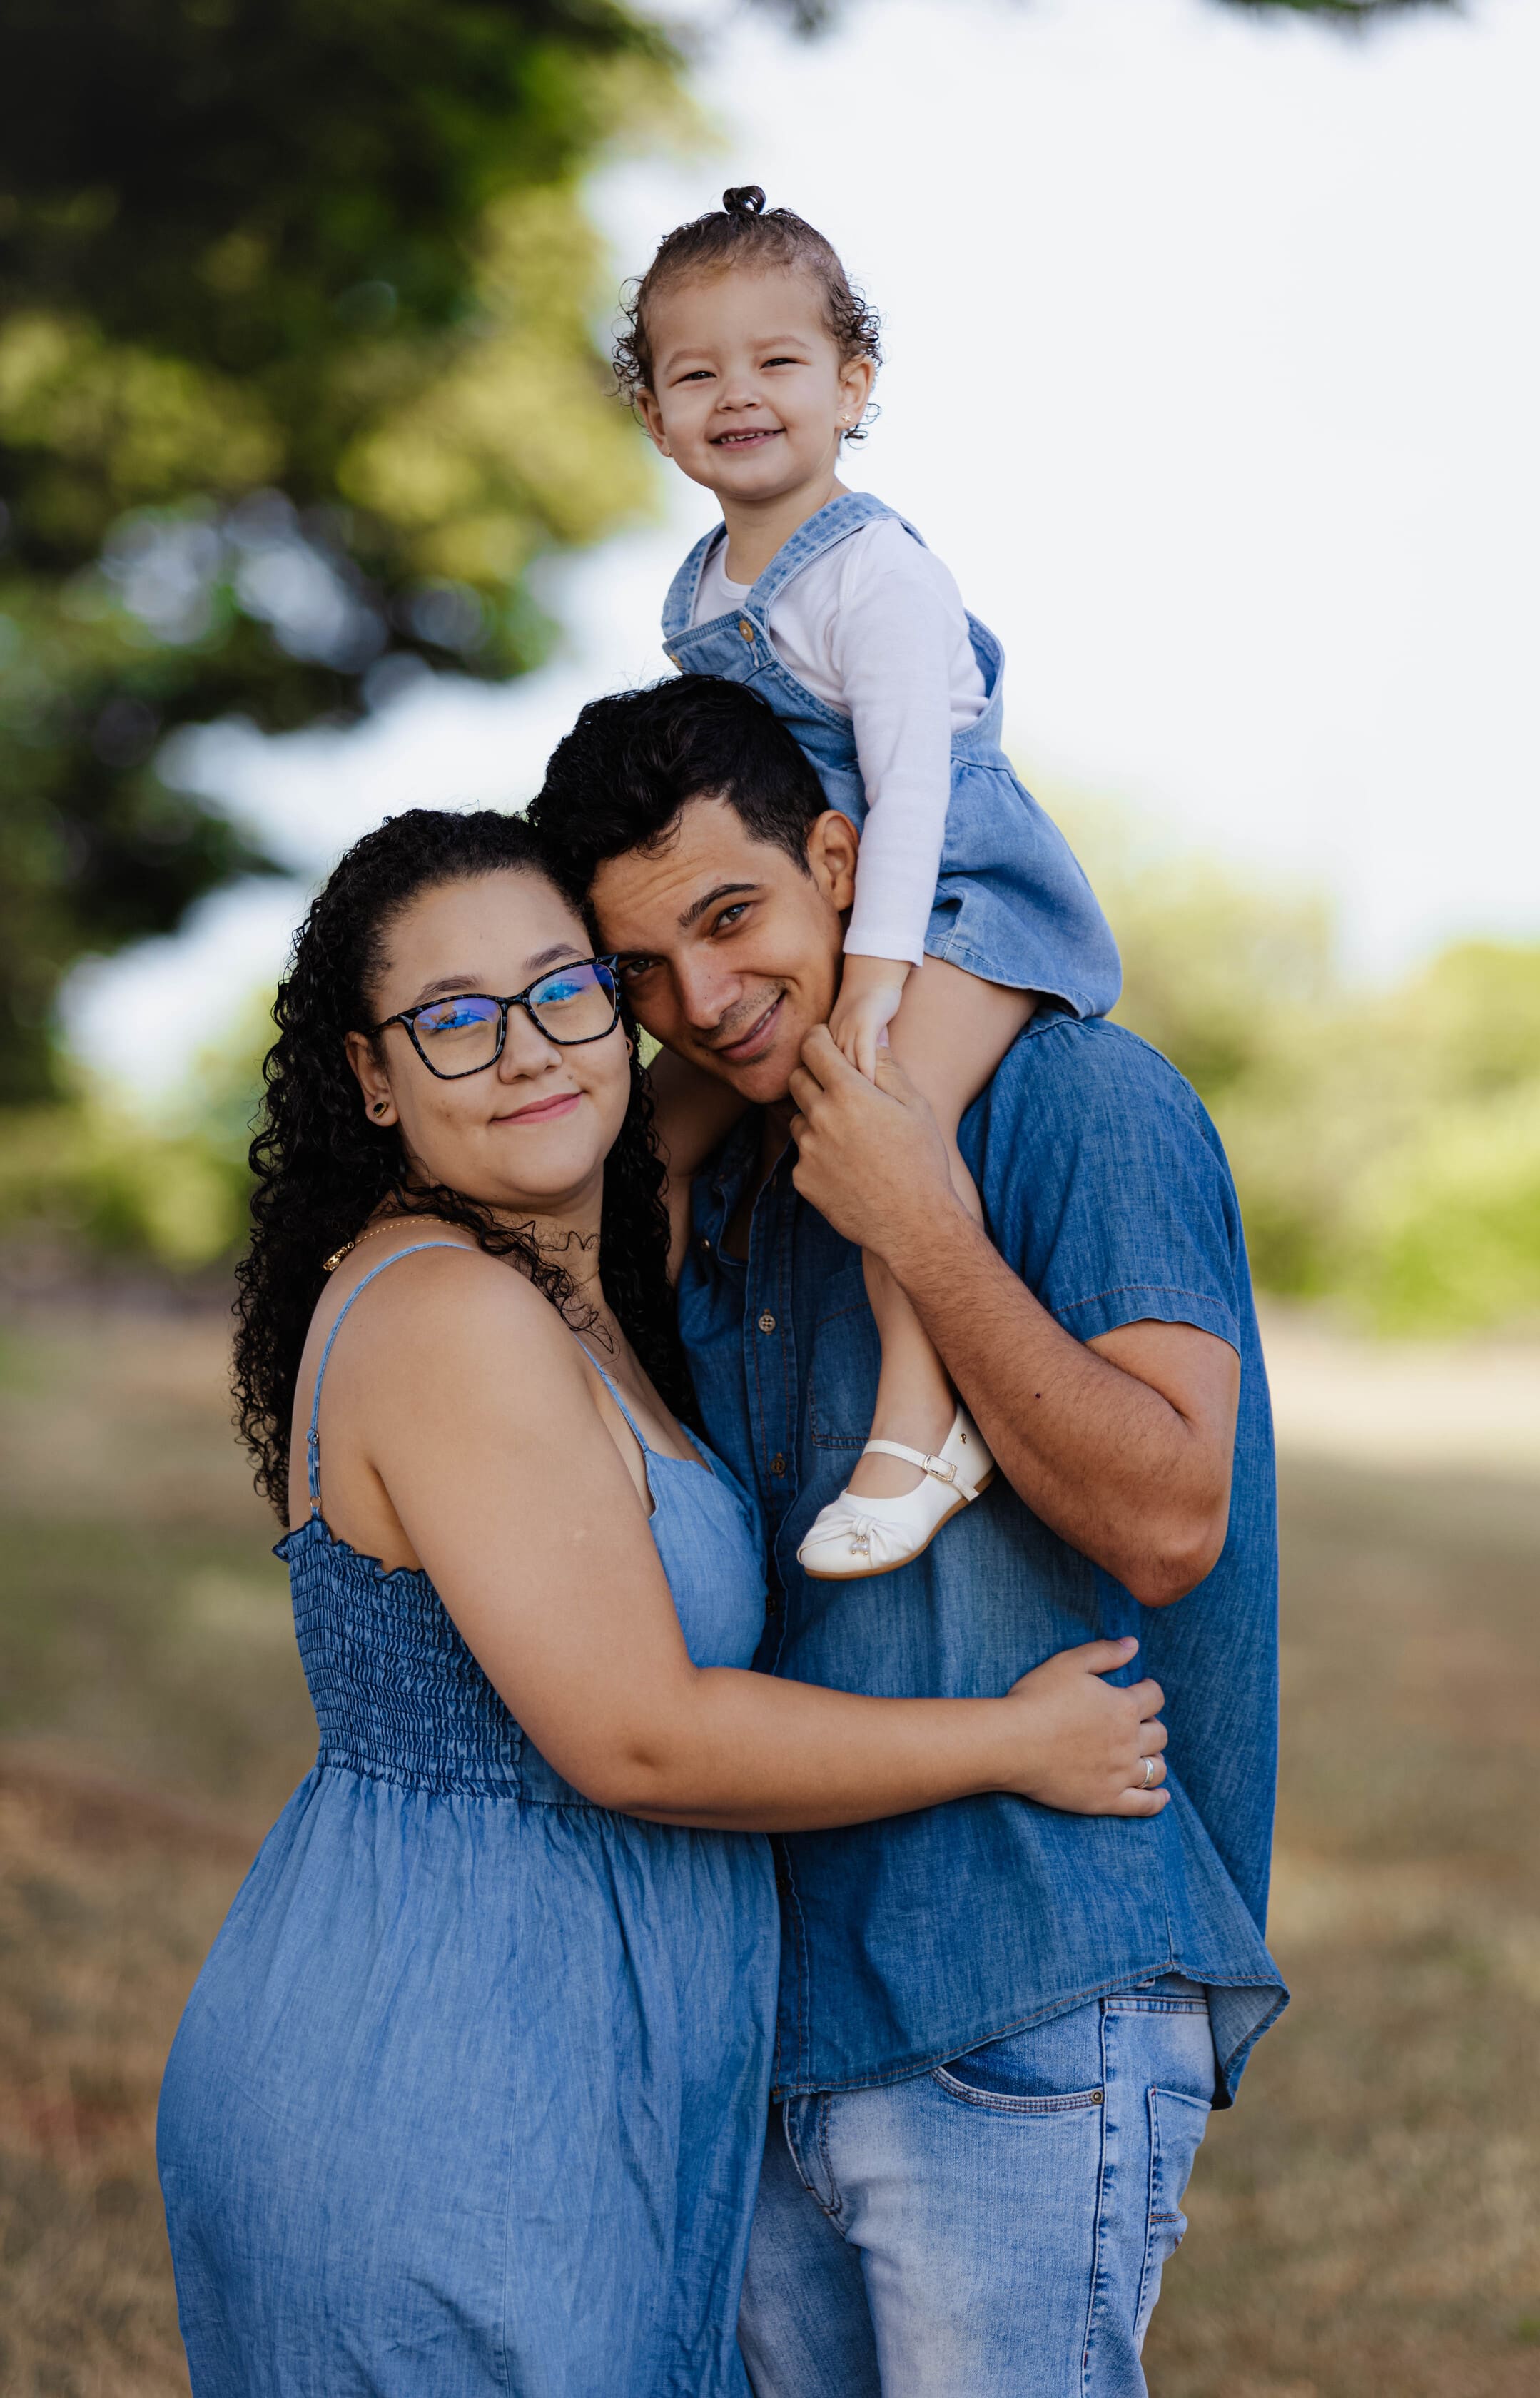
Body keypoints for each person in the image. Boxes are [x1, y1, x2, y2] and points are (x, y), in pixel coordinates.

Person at [156, 807, 1172, 2398]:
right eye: (451, 1019)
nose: (521, 1050)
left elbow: (841, 992)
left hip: (552, 2063)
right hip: (447, 2084)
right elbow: (637, 1739)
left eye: (563, 988)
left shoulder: (576, 1273)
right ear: (372, 1077)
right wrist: (1012, 1740)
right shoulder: (450, 1315)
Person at [535, 682, 1288, 2398]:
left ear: (840, 857)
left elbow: (1171, 1516)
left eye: (733, 921)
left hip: (1020, 1997)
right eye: (638, 972)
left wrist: (920, 1233)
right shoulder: (704, 1173)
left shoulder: (1075, 1099)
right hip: (763, 2011)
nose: (702, 1002)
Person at [614, 183, 1122, 1577]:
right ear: (653, 414)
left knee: (881, 1106)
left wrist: (875, 983)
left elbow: (905, 797)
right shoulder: (705, 586)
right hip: (838, 903)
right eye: (694, 372)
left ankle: (922, 1419)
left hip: (955, 894)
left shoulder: (875, 573)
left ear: (853, 384)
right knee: (659, 1124)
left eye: (777, 362)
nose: (738, 395)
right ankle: (622, 1371)